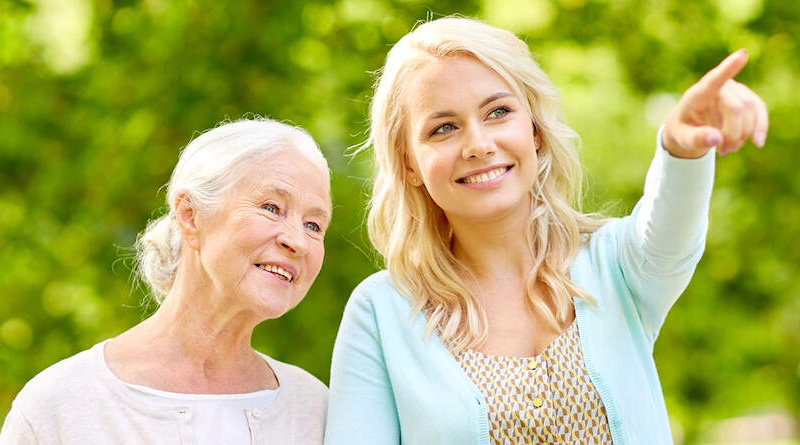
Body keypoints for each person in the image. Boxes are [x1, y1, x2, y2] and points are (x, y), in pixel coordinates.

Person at [325, 17, 768, 444]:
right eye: (444, 128)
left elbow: (671, 229)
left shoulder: (616, 264)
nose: (479, 144)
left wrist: (680, 147)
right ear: (408, 163)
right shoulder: (379, 314)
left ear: (534, 130)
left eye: (498, 112)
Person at [0, 119, 331, 444]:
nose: (298, 242)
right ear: (190, 215)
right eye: (271, 207)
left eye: (314, 225)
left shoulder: (317, 411)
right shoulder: (61, 406)